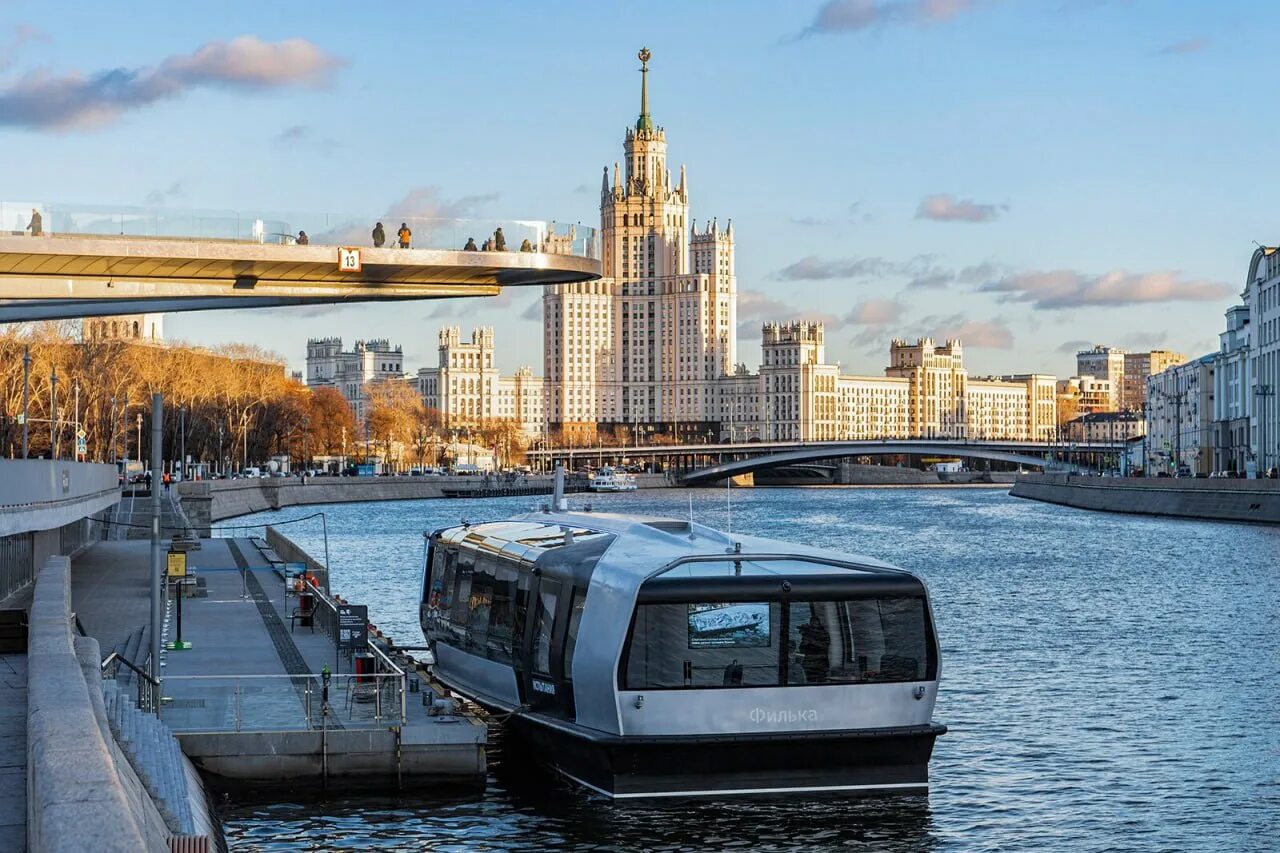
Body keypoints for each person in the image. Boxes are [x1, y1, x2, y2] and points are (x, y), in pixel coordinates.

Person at [797, 613, 830, 684]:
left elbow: (825, 646)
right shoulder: (808, 634)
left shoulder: (824, 634)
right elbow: (802, 649)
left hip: (820, 664)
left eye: (815, 623)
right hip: (810, 664)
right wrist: (805, 640)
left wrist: (811, 641)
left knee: (820, 683)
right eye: (812, 623)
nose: (814, 625)